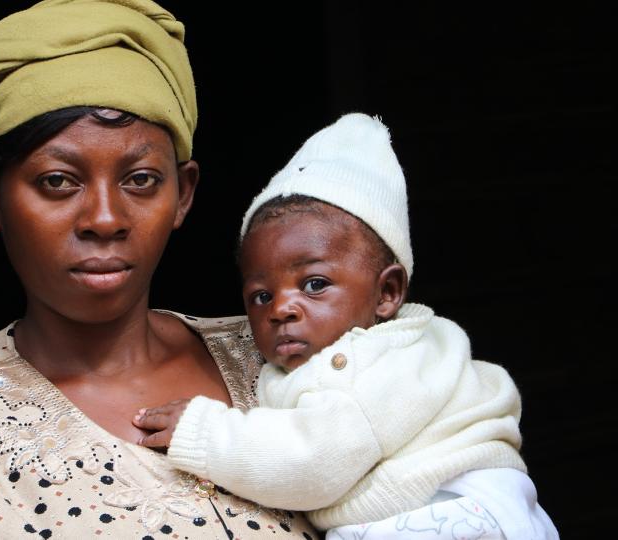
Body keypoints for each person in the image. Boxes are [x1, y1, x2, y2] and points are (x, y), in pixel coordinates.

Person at [0, 1, 320, 538]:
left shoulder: (290, 357)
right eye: (58, 182)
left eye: (140, 180)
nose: (105, 219)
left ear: (183, 194)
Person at [134, 113, 559, 539]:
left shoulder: (378, 364)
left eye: (314, 285)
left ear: (387, 292)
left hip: (453, 512)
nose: (281, 308)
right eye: (261, 295)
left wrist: (204, 431)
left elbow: (314, 461)